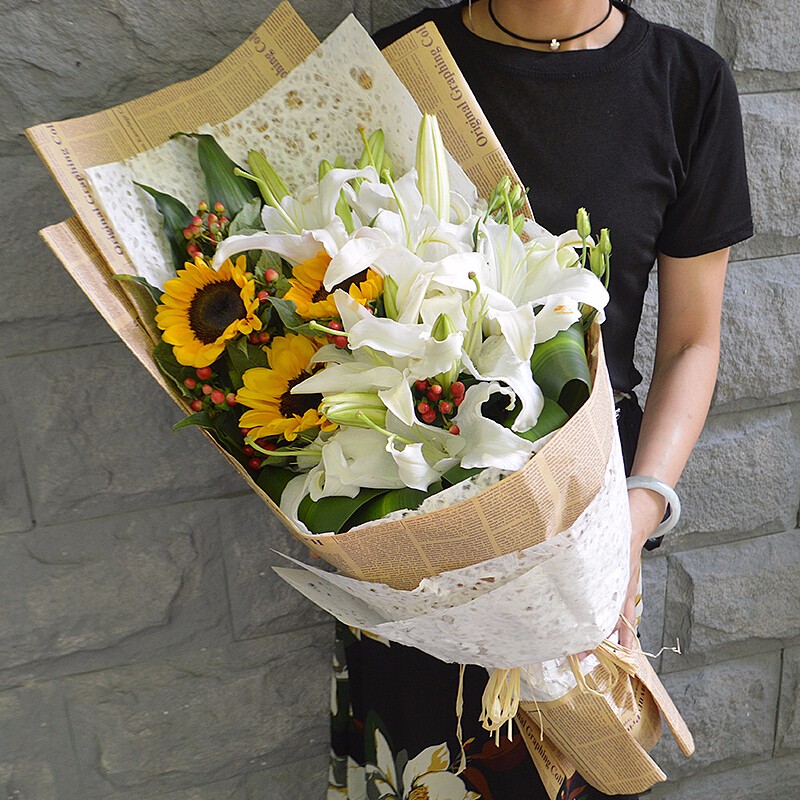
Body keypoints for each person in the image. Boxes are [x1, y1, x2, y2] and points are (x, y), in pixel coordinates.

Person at [328, 1, 753, 797]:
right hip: (408, 522)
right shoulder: (397, 66)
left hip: (584, 525)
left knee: (569, 766)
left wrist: (635, 517)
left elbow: (693, 342)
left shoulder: (684, 85)